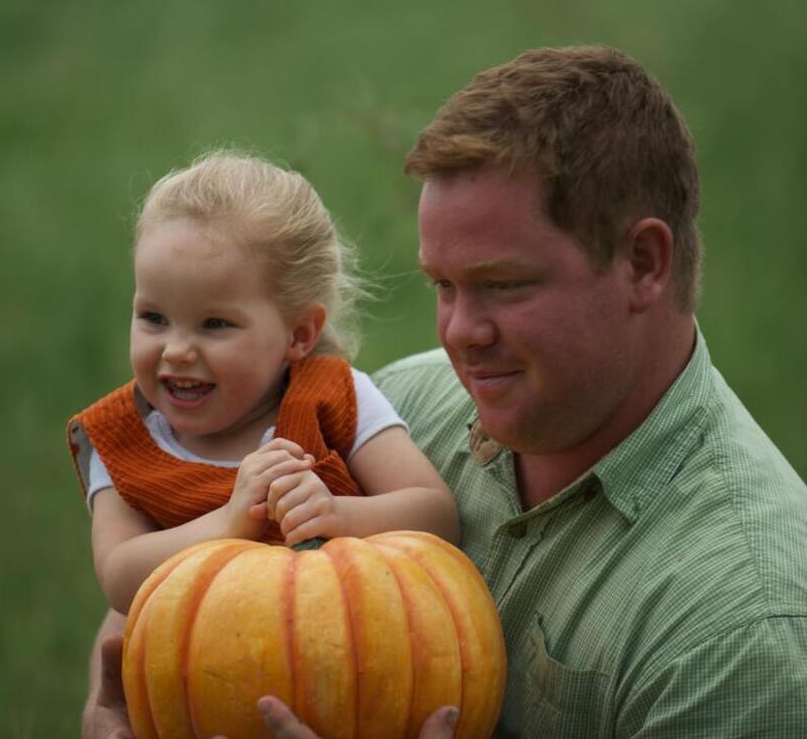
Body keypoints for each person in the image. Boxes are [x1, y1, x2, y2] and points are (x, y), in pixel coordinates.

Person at [83, 47, 807, 738]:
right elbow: (187, 570)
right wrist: (117, 700)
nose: (460, 334)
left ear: (643, 264)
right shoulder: (412, 401)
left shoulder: (740, 627)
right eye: (443, 286)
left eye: (502, 285)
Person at [68, 151, 459, 616]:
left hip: (351, 658)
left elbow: (436, 515)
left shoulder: (335, 394)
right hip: (195, 675)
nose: (175, 350)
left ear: (298, 335)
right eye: (154, 318)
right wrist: (229, 523)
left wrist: (340, 515)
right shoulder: (122, 440)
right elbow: (120, 576)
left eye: (214, 324)